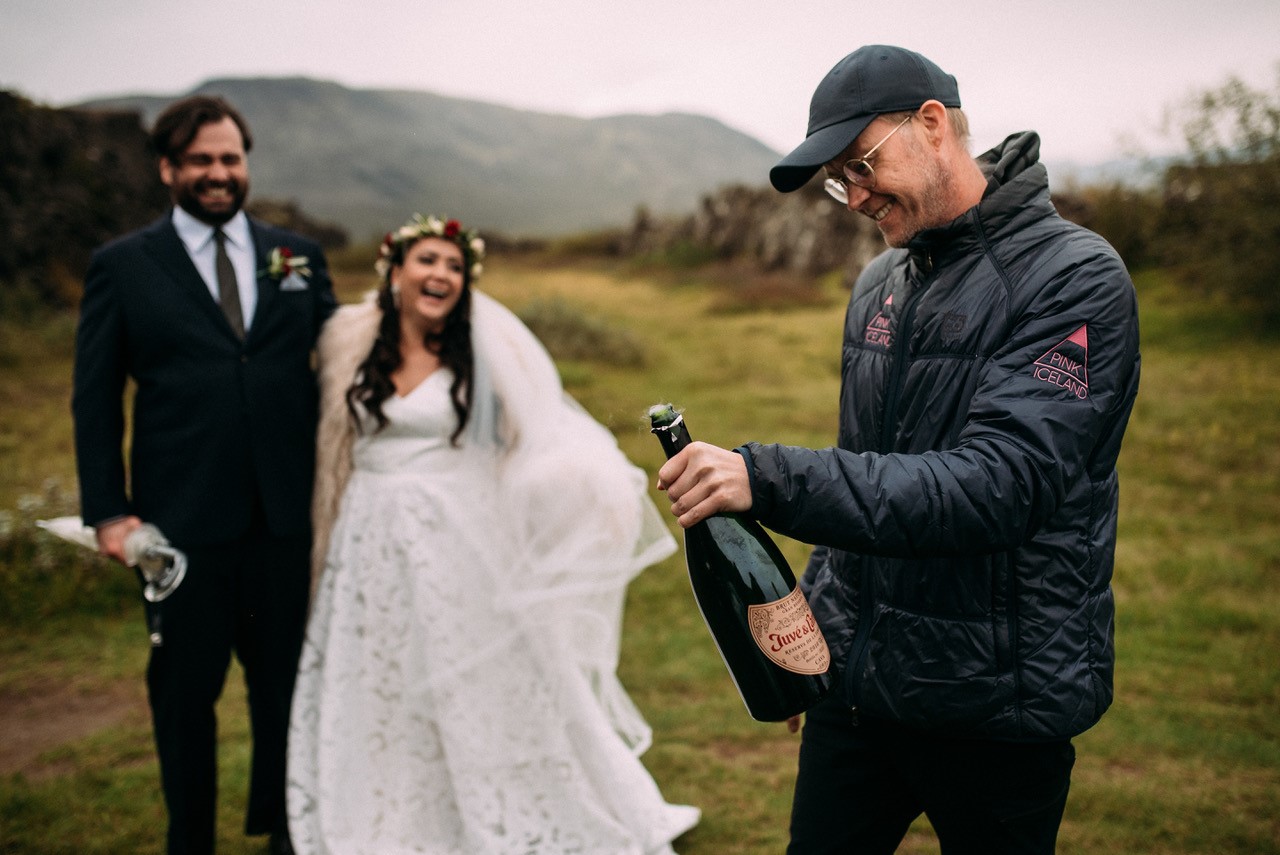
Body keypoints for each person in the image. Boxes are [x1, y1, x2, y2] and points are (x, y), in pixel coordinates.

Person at [656, 45, 1141, 854]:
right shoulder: (879, 284)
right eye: (839, 179)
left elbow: (1000, 486)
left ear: (933, 125)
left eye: (862, 164)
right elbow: (872, 468)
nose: (854, 195)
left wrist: (764, 476)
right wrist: (812, 641)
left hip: (997, 704)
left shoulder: (1075, 277)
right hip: (858, 695)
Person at [285, 213, 699, 854]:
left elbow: (538, 440)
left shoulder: (480, 351)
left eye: (454, 266)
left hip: (455, 543)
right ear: (395, 271)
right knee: (378, 679)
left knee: (471, 682)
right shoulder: (348, 343)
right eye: (427, 261)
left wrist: (587, 492)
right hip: (365, 542)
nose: (441, 275)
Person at [72, 95, 336, 855]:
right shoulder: (122, 266)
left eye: (230, 159)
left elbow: (347, 357)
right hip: (180, 527)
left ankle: (292, 835)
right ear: (168, 168)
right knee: (185, 700)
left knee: (287, 693)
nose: (219, 174)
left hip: (286, 520)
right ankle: (189, 839)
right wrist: (109, 513)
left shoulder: (295, 256)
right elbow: (95, 397)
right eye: (201, 161)